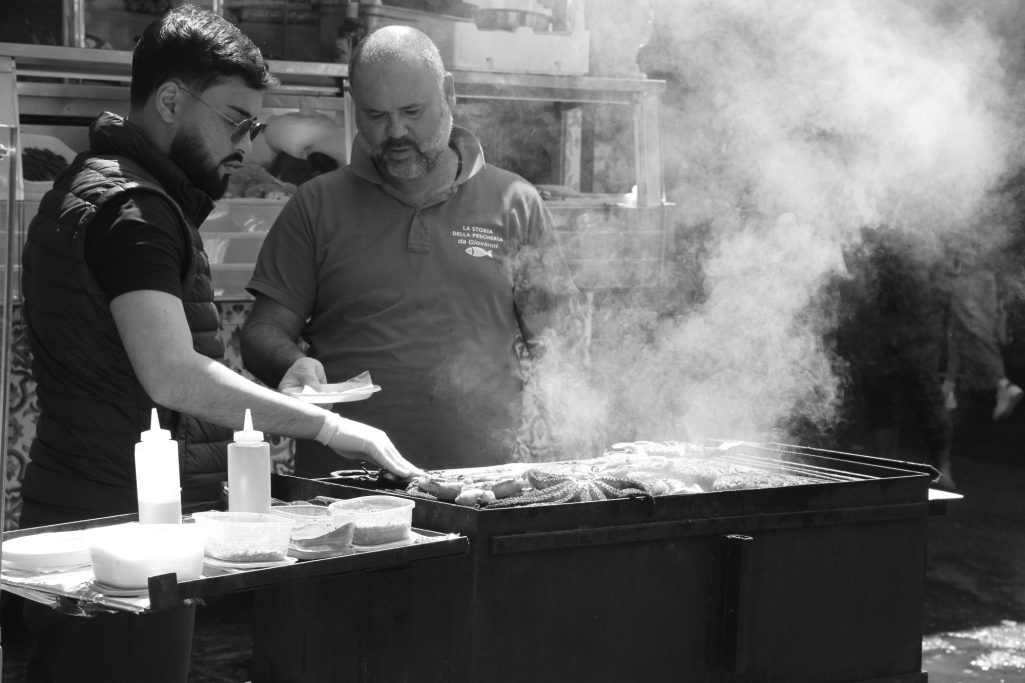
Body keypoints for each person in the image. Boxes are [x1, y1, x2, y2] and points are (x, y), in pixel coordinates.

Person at [18, 6, 420, 682]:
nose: (246, 147)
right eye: (235, 121)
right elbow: (172, 374)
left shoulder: (98, 189)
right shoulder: (134, 211)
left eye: (254, 128)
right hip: (125, 530)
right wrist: (329, 426)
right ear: (171, 101)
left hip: (89, 512)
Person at [241, 26, 577, 476]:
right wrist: (291, 363)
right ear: (354, 108)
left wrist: (577, 444)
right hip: (343, 487)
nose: (396, 131)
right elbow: (262, 332)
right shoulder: (316, 204)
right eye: (376, 115)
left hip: (479, 484)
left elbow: (556, 344)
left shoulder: (515, 202)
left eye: (412, 111)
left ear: (449, 94)